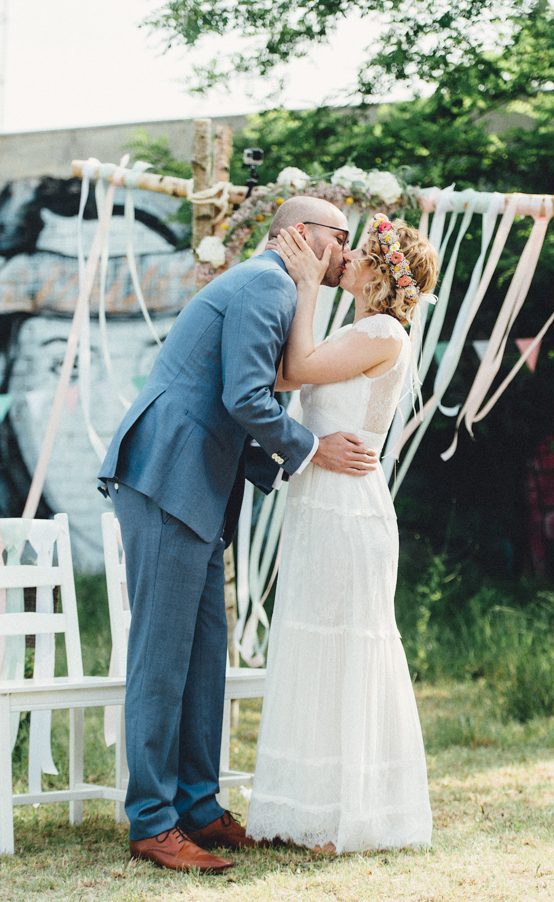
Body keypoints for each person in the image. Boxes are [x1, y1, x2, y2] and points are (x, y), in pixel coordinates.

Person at [97, 196, 379, 873]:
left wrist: (287, 459)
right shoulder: (264, 283)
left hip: (196, 486)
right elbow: (247, 398)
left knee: (203, 655)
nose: (348, 252)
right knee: (162, 657)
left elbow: (239, 395)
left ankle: (197, 805)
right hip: (169, 476)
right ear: (303, 235)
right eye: (342, 238)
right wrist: (312, 450)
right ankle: (153, 821)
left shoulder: (278, 287)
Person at [246, 214, 438, 853]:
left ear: (382, 271)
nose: (345, 255)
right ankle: (308, 810)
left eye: (361, 250)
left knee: (346, 649)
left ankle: (348, 816)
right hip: (317, 502)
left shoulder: (383, 330)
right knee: (312, 643)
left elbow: (296, 370)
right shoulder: (356, 328)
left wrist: (302, 284)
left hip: (349, 509)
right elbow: (280, 377)